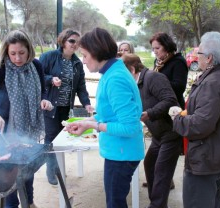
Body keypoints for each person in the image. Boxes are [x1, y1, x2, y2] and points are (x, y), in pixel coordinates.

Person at [0, 29, 52, 208]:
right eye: (13, 53)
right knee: (9, 177)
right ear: (6, 51)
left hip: (27, 129)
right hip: (2, 133)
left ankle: (29, 203)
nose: (17, 58)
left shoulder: (36, 66)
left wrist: (44, 98)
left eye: (22, 53)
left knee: (26, 169)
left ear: (29, 50)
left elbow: (43, 87)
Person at [65, 27, 145, 208]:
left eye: (85, 55)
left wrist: (96, 126)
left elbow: (130, 127)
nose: (83, 61)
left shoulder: (115, 78)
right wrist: (85, 122)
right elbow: (107, 115)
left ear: (96, 52)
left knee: (115, 203)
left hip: (122, 154)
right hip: (118, 152)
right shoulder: (110, 73)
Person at [170, 31, 220, 208]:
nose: (197, 56)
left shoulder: (212, 83)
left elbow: (199, 126)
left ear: (210, 58)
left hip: (207, 158)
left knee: (198, 202)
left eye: (199, 53)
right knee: (211, 199)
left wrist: (176, 119)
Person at [122, 54, 181, 208]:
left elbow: (170, 100)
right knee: (150, 165)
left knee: (162, 173)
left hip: (171, 133)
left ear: (133, 69)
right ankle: (157, 203)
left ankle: (157, 205)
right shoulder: (138, 83)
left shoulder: (154, 77)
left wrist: (150, 113)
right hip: (158, 135)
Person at [39, 28, 93, 185]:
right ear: (63, 41)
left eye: (77, 42)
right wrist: (50, 79)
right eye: (72, 41)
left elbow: (81, 87)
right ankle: (52, 171)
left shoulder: (77, 63)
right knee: (50, 139)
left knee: (63, 138)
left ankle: (59, 169)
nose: (75, 45)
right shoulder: (49, 56)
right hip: (50, 107)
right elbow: (38, 76)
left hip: (65, 108)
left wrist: (87, 104)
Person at [150, 32, 188, 189]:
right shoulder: (158, 61)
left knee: (167, 152)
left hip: (172, 110)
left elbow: (180, 86)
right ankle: (163, 180)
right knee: (157, 153)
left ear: (166, 46)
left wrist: (158, 85)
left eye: (157, 48)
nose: (155, 52)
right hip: (159, 109)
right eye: (153, 49)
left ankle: (164, 182)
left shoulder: (178, 62)